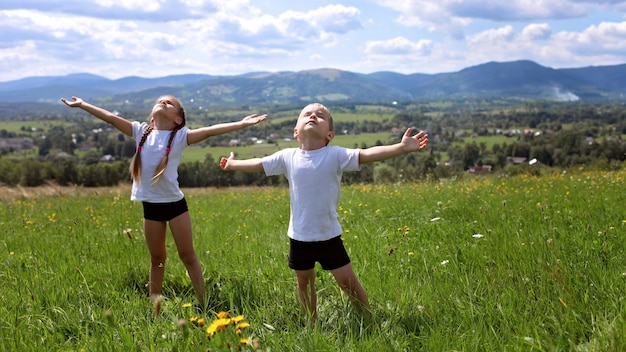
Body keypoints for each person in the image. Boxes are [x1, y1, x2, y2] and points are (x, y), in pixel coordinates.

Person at [219, 102, 428, 322]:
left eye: (319, 116)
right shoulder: (287, 157)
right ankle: (312, 323)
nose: (312, 116)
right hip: (299, 236)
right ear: (296, 132)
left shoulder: (335, 155)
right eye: (306, 114)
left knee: (347, 282)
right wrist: (232, 165)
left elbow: (368, 154)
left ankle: (368, 319)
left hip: (328, 236)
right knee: (304, 282)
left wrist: (402, 147)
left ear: (329, 134)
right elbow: (259, 164)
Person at [61, 95, 267, 313]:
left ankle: (204, 303)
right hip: (151, 207)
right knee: (157, 258)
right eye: (161, 101)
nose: (163, 103)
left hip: (175, 206)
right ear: (152, 116)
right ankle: (154, 306)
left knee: (187, 256)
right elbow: (111, 118)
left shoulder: (179, 136)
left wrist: (242, 123)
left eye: (170, 104)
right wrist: (82, 105)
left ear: (177, 119)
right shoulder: (141, 132)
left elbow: (210, 130)